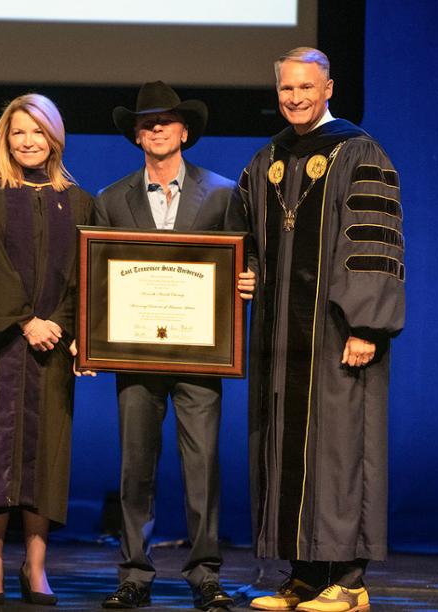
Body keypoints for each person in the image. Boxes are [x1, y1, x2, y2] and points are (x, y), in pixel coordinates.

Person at [238, 48, 405, 612]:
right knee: (286, 451)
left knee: (340, 450)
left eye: (306, 87)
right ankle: (305, 574)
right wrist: (246, 276)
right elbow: (251, 244)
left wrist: (365, 325)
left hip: (338, 336)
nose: (295, 98)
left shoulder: (359, 154)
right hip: (282, 341)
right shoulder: (266, 162)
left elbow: (372, 247)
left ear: (328, 87)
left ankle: (350, 581)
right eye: (286, 89)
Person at [95, 81, 255, 610]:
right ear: (136, 136)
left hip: (199, 355)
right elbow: (99, 281)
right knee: (134, 467)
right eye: (147, 122)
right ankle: (135, 574)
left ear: (186, 131)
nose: (157, 127)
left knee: (202, 467)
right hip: (135, 357)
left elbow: (243, 266)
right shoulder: (111, 199)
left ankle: (205, 574)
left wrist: (247, 280)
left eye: (167, 119)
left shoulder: (226, 193)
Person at [0, 93, 93, 605]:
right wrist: (25, 321)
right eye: (18, 132)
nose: (28, 141)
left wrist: (64, 328)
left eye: (38, 131)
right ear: (4, 138)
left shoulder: (77, 200)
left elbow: (85, 281)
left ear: (55, 137)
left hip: (53, 348)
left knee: (44, 456)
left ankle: (36, 563)